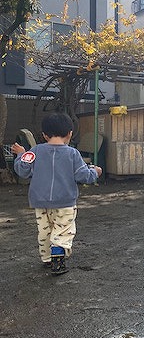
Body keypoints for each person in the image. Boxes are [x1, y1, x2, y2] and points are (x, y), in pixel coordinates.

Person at [11, 113, 102, 275]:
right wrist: (95, 171)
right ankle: (58, 260)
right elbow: (84, 176)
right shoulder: (72, 153)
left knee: (45, 230)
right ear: (70, 133)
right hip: (65, 201)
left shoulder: (36, 151)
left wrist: (21, 154)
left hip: (40, 201)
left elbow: (22, 170)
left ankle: (47, 258)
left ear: (44, 134)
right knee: (63, 230)